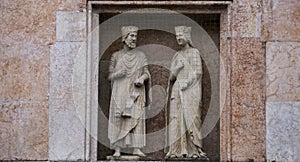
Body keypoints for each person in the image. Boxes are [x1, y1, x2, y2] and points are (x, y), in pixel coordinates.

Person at [108, 26, 151, 157]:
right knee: (119, 118)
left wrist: (142, 78)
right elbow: (109, 76)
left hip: (136, 91)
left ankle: (136, 148)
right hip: (120, 91)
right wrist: (118, 73)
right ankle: (117, 148)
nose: (134, 39)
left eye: (135, 36)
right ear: (124, 38)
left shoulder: (141, 55)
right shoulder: (116, 56)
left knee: (136, 117)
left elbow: (147, 73)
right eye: (132, 36)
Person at [165, 26, 206, 158]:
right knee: (176, 119)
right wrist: (177, 68)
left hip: (190, 89)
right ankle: (176, 150)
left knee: (192, 117)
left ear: (187, 37)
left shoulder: (194, 52)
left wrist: (187, 82)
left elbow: (198, 72)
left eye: (180, 35)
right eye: (176, 36)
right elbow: (171, 77)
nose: (178, 38)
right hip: (177, 89)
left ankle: (193, 149)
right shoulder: (177, 55)